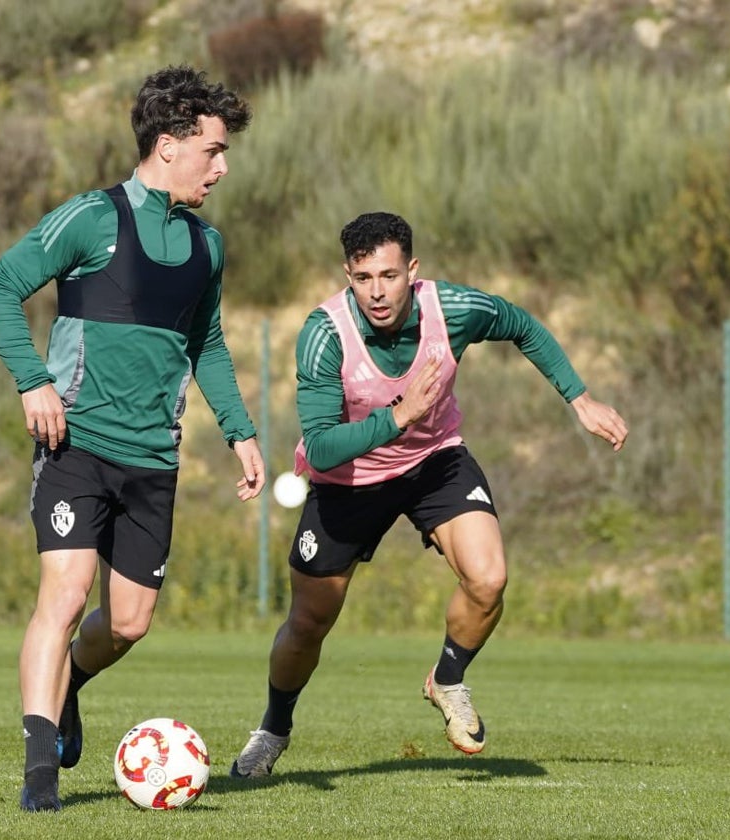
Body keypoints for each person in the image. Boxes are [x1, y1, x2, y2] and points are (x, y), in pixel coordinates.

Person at [230, 212, 627, 778]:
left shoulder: (454, 311)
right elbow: (319, 448)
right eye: (363, 278)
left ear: (412, 271)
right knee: (309, 622)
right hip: (349, 481)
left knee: (488, 578)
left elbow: (523, 326)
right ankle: (273, 729)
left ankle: (447, 678)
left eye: (388, 276)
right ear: (348, 275)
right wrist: (399, 416)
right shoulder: (324, 333)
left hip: (434, 462)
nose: (377, 292)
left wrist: (579, 398)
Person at [0, 65, 266, 812]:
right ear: (169, 146)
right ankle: (41, 772)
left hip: (152, 459)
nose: (222, 166)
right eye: (212, 150)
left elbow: (207, 342)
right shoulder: (93, 218)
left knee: (130, 622)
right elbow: (0, 288)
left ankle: (69, 680)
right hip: (75, 445)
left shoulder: (209, 247)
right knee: (66, 593)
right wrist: (32, 381)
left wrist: (240, 432)